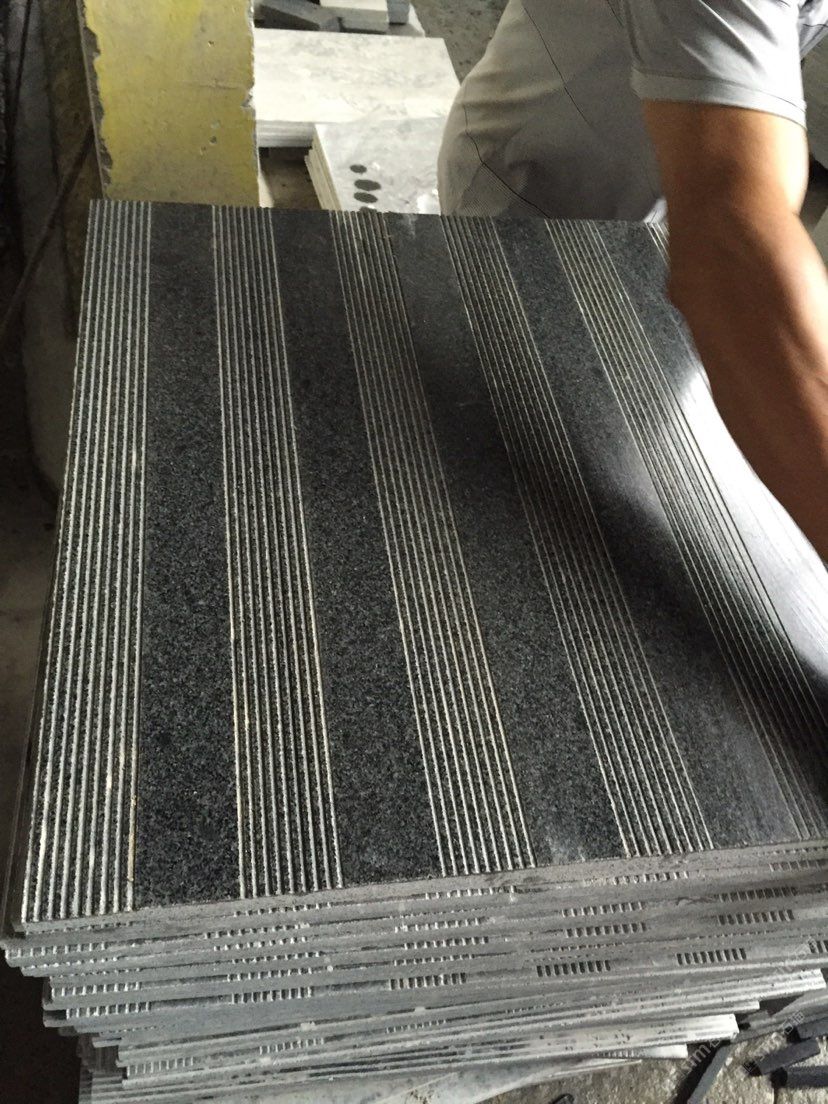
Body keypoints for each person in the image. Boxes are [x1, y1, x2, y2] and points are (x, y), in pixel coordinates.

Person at [439, 1, 828, 560]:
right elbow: (733, 254)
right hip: (536, 199)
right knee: (518, 454)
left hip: (655, 200)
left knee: (621, 428)